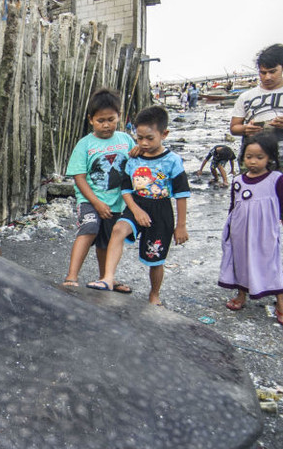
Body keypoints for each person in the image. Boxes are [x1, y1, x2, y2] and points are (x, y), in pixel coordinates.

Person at [87, 106, 190, 305]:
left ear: (164, 134)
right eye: (139, 138)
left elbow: (181, 194)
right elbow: (126, 188)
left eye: (149, 138)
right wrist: (136, 210)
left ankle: (154, 294)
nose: (143, 143)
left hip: (161, 211)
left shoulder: (172, 161)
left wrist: (181, 225)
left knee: (155, 258)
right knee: (118, 229)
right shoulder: (133, 158)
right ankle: (108, 278)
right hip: (136, 204)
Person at [230, 43, 283, 257]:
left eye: (272, 72)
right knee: (249, 201)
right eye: (262, 72)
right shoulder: (247, 96)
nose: (267, 77)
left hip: (282, 158)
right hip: (250, 158)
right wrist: (246, 129)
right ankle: (253, 246)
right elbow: (234, 127)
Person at [61, 88, 135, 291]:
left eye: (111, 119)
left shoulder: (126, 140)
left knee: (107, 241)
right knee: (90, 228)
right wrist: (95, 202)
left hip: (117, 202)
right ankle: (71, 276)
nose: (106, 125)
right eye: (100, 120)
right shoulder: (85, 144)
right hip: (90, 200)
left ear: (119, 117)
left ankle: (106, 278)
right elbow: (79, 177)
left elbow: (135, 165)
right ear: (91, 120)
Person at [219, 133, 283, 326]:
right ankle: (241, 295)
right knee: (242, 261)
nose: (253, 162)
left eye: (259, 157)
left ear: (270, 158)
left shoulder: (275, 179)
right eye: (249, 157)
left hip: (265, 232)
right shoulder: (238, 180)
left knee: (271, 263)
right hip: (240, 230)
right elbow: (234, 206)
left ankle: (281, 303)